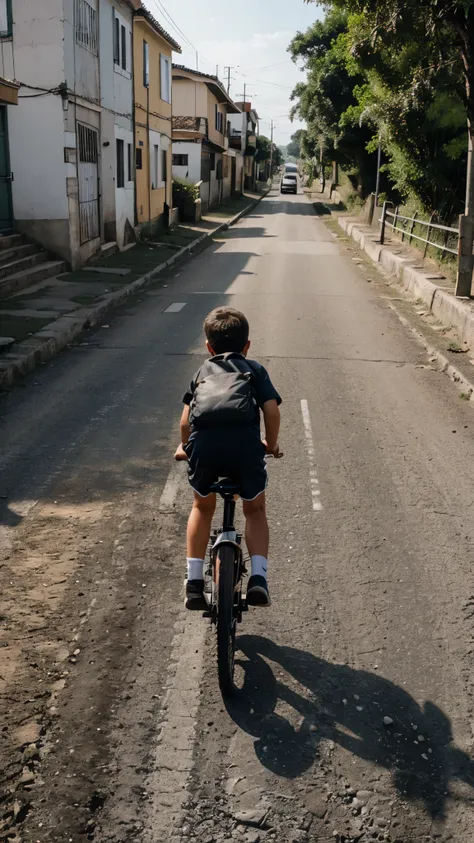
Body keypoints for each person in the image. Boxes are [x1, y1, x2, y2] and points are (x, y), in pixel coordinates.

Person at [175, 307, 282, 610]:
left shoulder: (201, 372)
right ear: (247, 345)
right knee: (255, 509)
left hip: (205, 449)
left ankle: (195, 582)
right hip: (245, 449)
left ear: (209, 347)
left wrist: (186, 446)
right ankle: (258, 579)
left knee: (202, 506)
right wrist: (270, 445)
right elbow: (271, 411)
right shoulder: (255, 369)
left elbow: (186, 423)